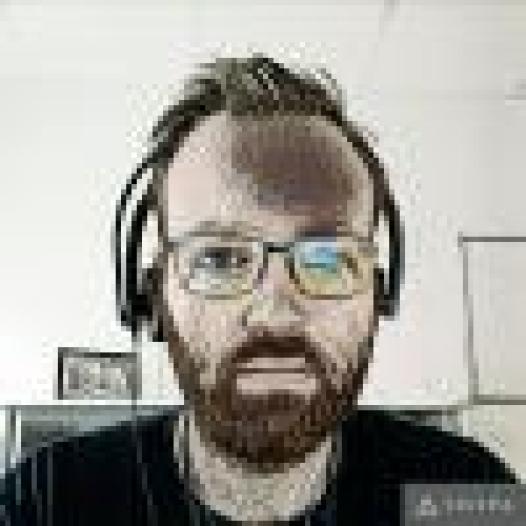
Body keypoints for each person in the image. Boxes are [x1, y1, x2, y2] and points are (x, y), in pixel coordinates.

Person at [0, 55, 516, 526]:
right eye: (220, 259)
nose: (276, 313)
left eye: (328, 259)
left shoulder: (466, 490)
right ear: (152, 298)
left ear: (380, 294)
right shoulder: (43, 501)